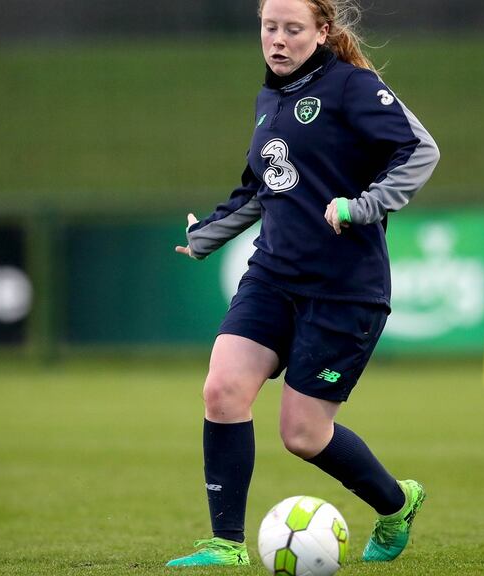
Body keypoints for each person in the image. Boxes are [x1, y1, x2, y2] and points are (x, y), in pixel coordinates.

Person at [168, 0, 439, 567]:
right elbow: (262, 185)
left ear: (321, 32)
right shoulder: (270, 98)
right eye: (270, 27)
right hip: (272, 276)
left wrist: (363, 206)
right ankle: (225, 543)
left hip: (345, 288)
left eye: (293, 29)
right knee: (222, 390)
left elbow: (419, 150)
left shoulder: (352, 87)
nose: (279, 40)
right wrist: (206, 237)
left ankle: (395, 504)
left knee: (303, 435)